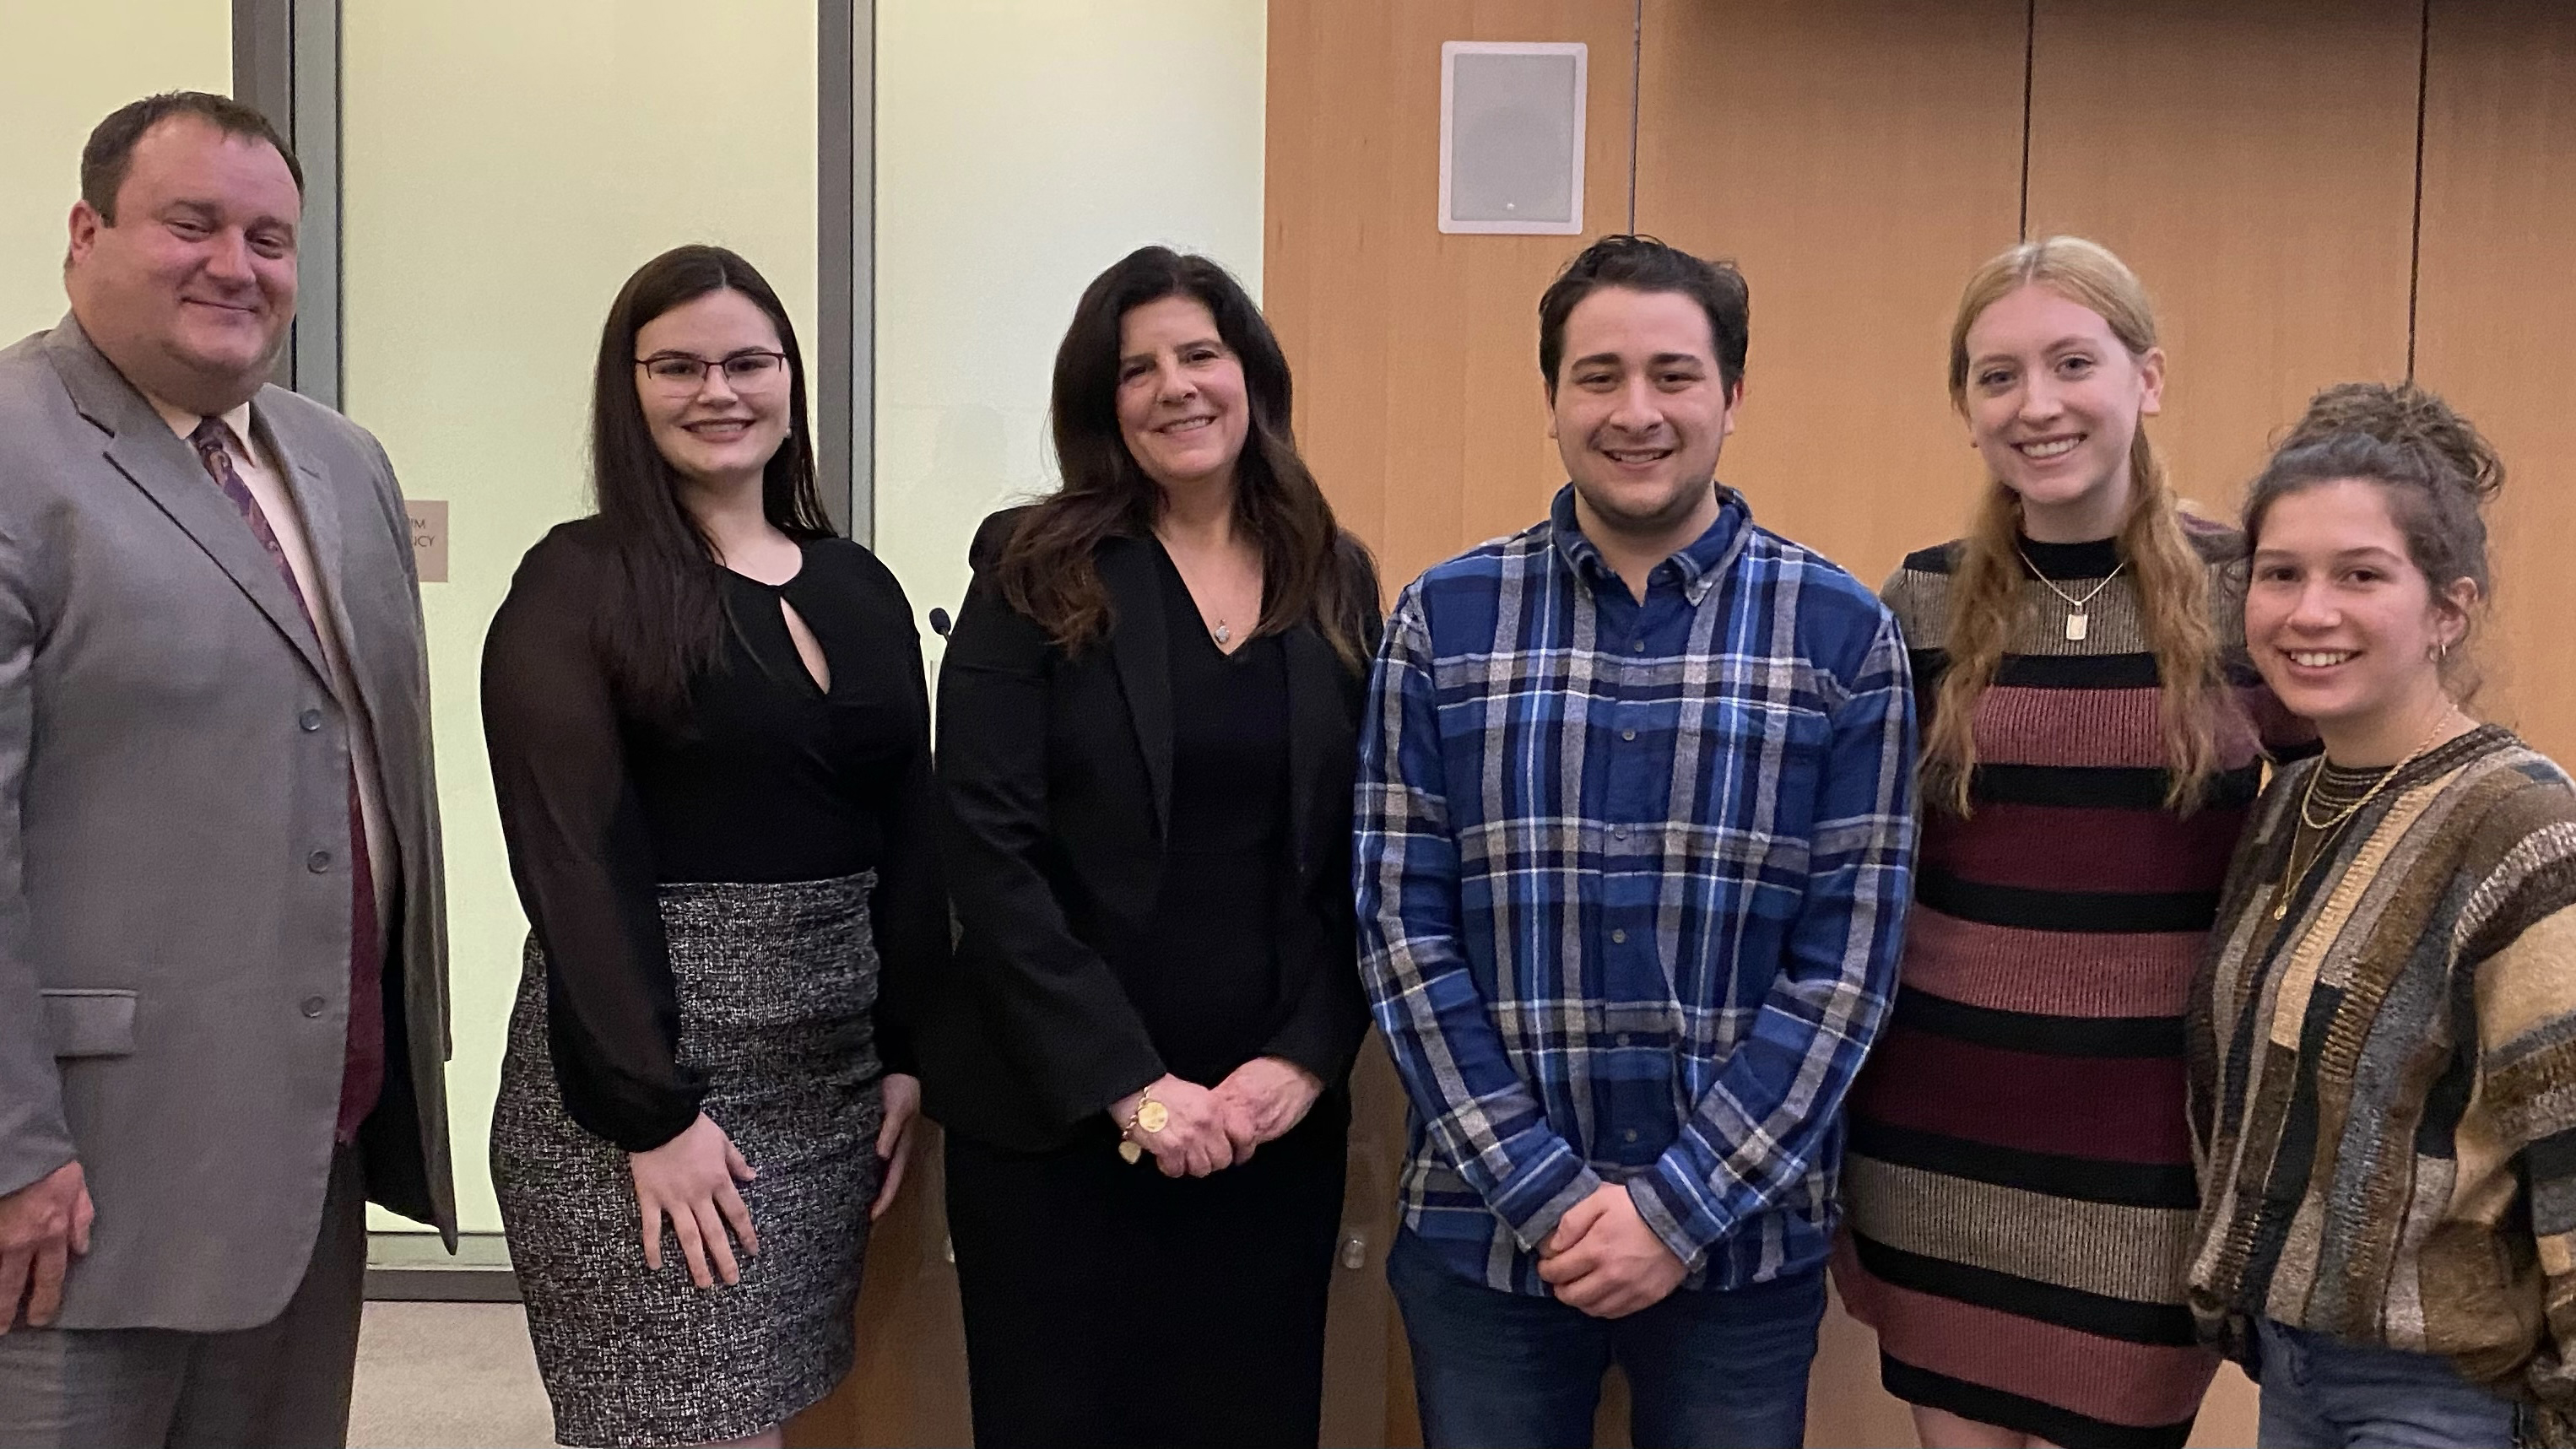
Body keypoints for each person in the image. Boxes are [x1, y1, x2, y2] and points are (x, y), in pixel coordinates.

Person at [1356, 233, 1917, 1449]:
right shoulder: (1441, 621)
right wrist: (1546, 1191)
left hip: (1740, 1248)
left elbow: (1847, 967)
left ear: (1734, 394)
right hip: (1485, 1238)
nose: (1636, 411)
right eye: (1597, 376)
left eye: (1673, 374)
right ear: (1552, 397)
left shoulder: (1840, 633)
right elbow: (1403, 927)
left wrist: (1677, 1206)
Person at [0, 92, 452, 1446]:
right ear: (85, 234)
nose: (234, 265)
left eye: (269, 236)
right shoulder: (16, 452)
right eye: (189, 223)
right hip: (82, 1178)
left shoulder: (341, 462)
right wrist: (12, 1149)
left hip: (310, 1143)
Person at [1834, 236, 2310, 1449]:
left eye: (2072, 362)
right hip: (1941, 1139)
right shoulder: (1918, 601)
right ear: (1966, 408)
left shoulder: (2246, 591)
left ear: (2146, 378)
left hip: (2149, 1159)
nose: (2036, 404)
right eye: (1998, 377)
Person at [918, 245, 1381, 1449]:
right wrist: (1134, 1088)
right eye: (1139, 369)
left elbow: (1363, 852)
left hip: (1266, 1124)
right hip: (1062, 1122)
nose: (1176, 386)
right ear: (1102, 401)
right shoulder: (1030, 567)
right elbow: (988, 851)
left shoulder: (1332, 573)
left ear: (1251, 375)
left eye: (1201, 354)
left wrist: (1308, 1058)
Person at [480, 244, 941, 1449]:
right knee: (677, 1425)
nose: (718, 390)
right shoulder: (577, 580)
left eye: (747, 361)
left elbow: (908, 825)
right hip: (645, 1091)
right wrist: (654, 1112)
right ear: (626, 390)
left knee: (770, 1417)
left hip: (830, 1080)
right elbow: (570, 858)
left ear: (790, 379)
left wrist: (905, 1051)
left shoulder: (860, 585)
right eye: (677, 366)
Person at [2185, 383, 2576, 1448]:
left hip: (2441, 1390)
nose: (2311, 612)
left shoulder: (2518, 825)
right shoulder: (2291, 805)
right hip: (2293, 1364)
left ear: (2446, 608)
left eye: (2360, 575)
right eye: (2280, 574)